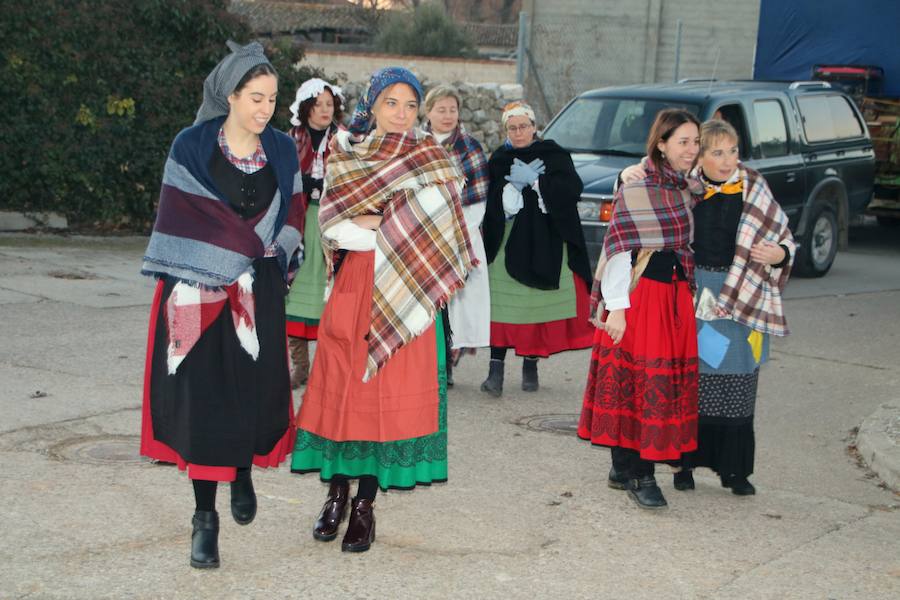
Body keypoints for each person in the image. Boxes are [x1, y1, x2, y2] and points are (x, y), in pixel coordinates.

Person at [290, 67, 476, 552]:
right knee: (345, 394)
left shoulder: (432, 158)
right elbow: (335, 228)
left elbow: (442, 232)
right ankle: (336, 493)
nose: (401, 114)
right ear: (371, 106)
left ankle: (365, 507)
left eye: (410, 105)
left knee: (380, 403)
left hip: (408, 298)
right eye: (391, 103)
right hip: (354, 291)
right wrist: (396, 220)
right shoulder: (346, 156)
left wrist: (376, 220)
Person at [139, 41, 304, 568]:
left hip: (260, 290)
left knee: (253, 395)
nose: (264, 109)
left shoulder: (281, 148)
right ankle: (203, 520)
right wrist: (239, 251)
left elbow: (295, 212)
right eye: (255, 97)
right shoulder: (190, 146)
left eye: (272, 99)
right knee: (205, 406)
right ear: (228, 95)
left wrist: (275, 250)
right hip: (198, 292)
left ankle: (243, 471)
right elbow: (180, 219)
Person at [620, 119, 794, 495]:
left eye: (733, 151)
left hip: (742, 294)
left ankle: (735, 471)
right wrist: (626, 173)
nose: (728, 159)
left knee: (739, 384)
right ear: (699, 155)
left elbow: (785, 238)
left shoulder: (755, 187)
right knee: (691, 382)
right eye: (717, 151)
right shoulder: (686, 187)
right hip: (693, 291)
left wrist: (779, 254)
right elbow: (645, 187)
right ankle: (684, 465)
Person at [577, 108, 703, 510]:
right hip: (640, 296)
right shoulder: (636, 188)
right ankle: (639, 473)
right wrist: (617, 309)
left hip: (674, 297)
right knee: (641, 384)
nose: (692, 149)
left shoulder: (687, 187)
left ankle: (623, 465)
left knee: (654, 385)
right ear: (661, 144)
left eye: (695, 142)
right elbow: (618, 250)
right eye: (683, 141)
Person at [480, 101, 593, 396]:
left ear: (534, 127)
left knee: (536, 304)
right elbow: (491, 202)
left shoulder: (553, 154)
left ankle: (531, 364)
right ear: (506, 130)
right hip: (507, 239)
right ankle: (495, 371)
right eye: (512, 128)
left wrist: (540, 183)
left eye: (523, 126)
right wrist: (512, 188)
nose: (518, 133)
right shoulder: (500, 158)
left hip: (545, 240)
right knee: (500, 306)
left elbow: (572, 191)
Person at [422, 85, 491, 385]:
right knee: (423, 302)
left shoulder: (470, 148)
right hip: (420, 235)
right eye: (441, 109)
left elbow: (478, 200)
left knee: (452, 302)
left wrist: (457, 234)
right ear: (428, 112)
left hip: (459, 235)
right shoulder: (415, 144)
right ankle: (422, 362)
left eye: (452, 109)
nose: (448, 115)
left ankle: (445, 363)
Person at [284, 78, 345, 387]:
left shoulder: (345, 139)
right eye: (318, 104)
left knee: (329, 289)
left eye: (329, 104)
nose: (324, 110)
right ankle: (300, 367)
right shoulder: (290, 139)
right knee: (294, 290)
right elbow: (280, 177)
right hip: (298, 220)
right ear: (306, 106)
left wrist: (330, 188)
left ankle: (325, 368)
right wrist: (304, 185)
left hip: (333, 221)